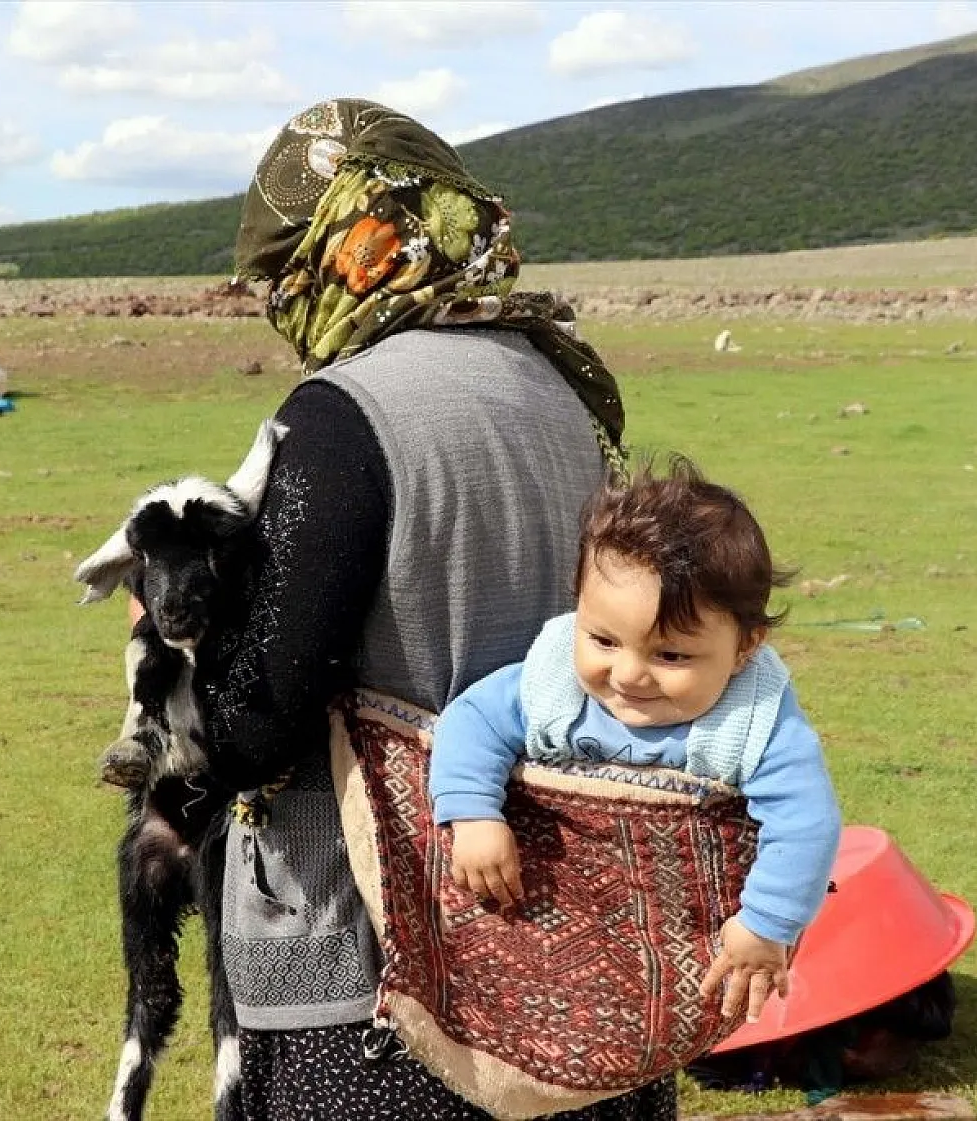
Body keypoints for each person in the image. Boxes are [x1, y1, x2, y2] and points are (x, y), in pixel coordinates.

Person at [192, 99, 673, 1119]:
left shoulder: (341, 415)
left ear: (343, 247)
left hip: (376, 980)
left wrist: (183, 637)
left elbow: (258, 726)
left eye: (281, 266)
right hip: (569, 951)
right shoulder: (562, 386)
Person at [429, 459, 842, 1025]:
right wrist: (474, 815)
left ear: (746, 647)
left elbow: (806, 820)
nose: (628, 675)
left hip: (668, 945)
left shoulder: (751, 721)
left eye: (670, 655)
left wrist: (764, 925)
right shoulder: (550, 685)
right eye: (603, 640)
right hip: (547, 929)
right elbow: (470, 720)